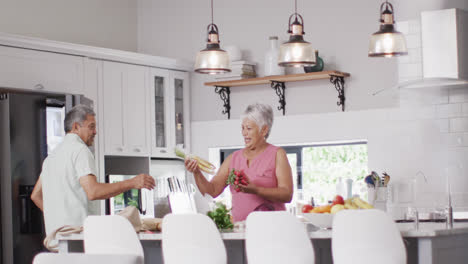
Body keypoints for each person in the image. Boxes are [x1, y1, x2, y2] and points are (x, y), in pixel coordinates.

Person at [30, 105, 155, 235]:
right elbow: (93, 192)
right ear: (76, 127)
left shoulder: (51, 157)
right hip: (79, 239)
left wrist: (58, 219)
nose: (95, 132)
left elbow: (36, 195)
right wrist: (132, 182)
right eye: (91, 126)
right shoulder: (80, 150)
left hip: (57, 240)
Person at [185, 103, 293, 221]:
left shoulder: (277, 154)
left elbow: (287, 194)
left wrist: (256, 190)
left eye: (249, 128)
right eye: (242, 128)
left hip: (272, 228)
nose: (244, 133)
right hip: (240, 230)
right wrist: (197, 172)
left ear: (264, 130)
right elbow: (212, 191)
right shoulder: (234, 158)